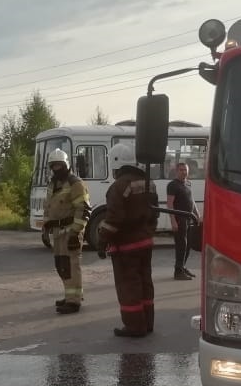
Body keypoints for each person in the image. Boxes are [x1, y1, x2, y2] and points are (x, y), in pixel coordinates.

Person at [97, 142, 158, 337]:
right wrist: (148, 232)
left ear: (117, 163)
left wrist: (102, 240)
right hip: (146, 243)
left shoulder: (119, 186)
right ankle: (147, 323)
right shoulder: (150, 182)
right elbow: (154, 214)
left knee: (128, 286)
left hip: (126, 246)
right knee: (145, 283)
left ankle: (134, 326)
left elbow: (114, 219)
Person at [42, 149, 90, 314]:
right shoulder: (52, 184)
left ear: (66, 165)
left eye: (59, 165)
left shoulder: (75, 183)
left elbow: (83, 209)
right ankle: (70, 295)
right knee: (61, 265)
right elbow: (48, 207)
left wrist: (76, 233)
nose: (56, 168)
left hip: (70, 230)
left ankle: (74, 301)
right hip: (57, 230)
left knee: (71, 265)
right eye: (53, 165)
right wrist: (45, 228)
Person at [166, 161, 199, 280]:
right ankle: (178, 271)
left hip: (189, 218)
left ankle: (183, 267)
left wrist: (197, 214)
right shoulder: (172, 185)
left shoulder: (187, 184)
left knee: (188, 245)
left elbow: (192, 200)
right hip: (179, 218)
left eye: (185, 170)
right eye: (181, 170)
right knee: (181, 245)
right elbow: (169, 204)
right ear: (176, 171)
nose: (184, 172)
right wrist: (173, 221)